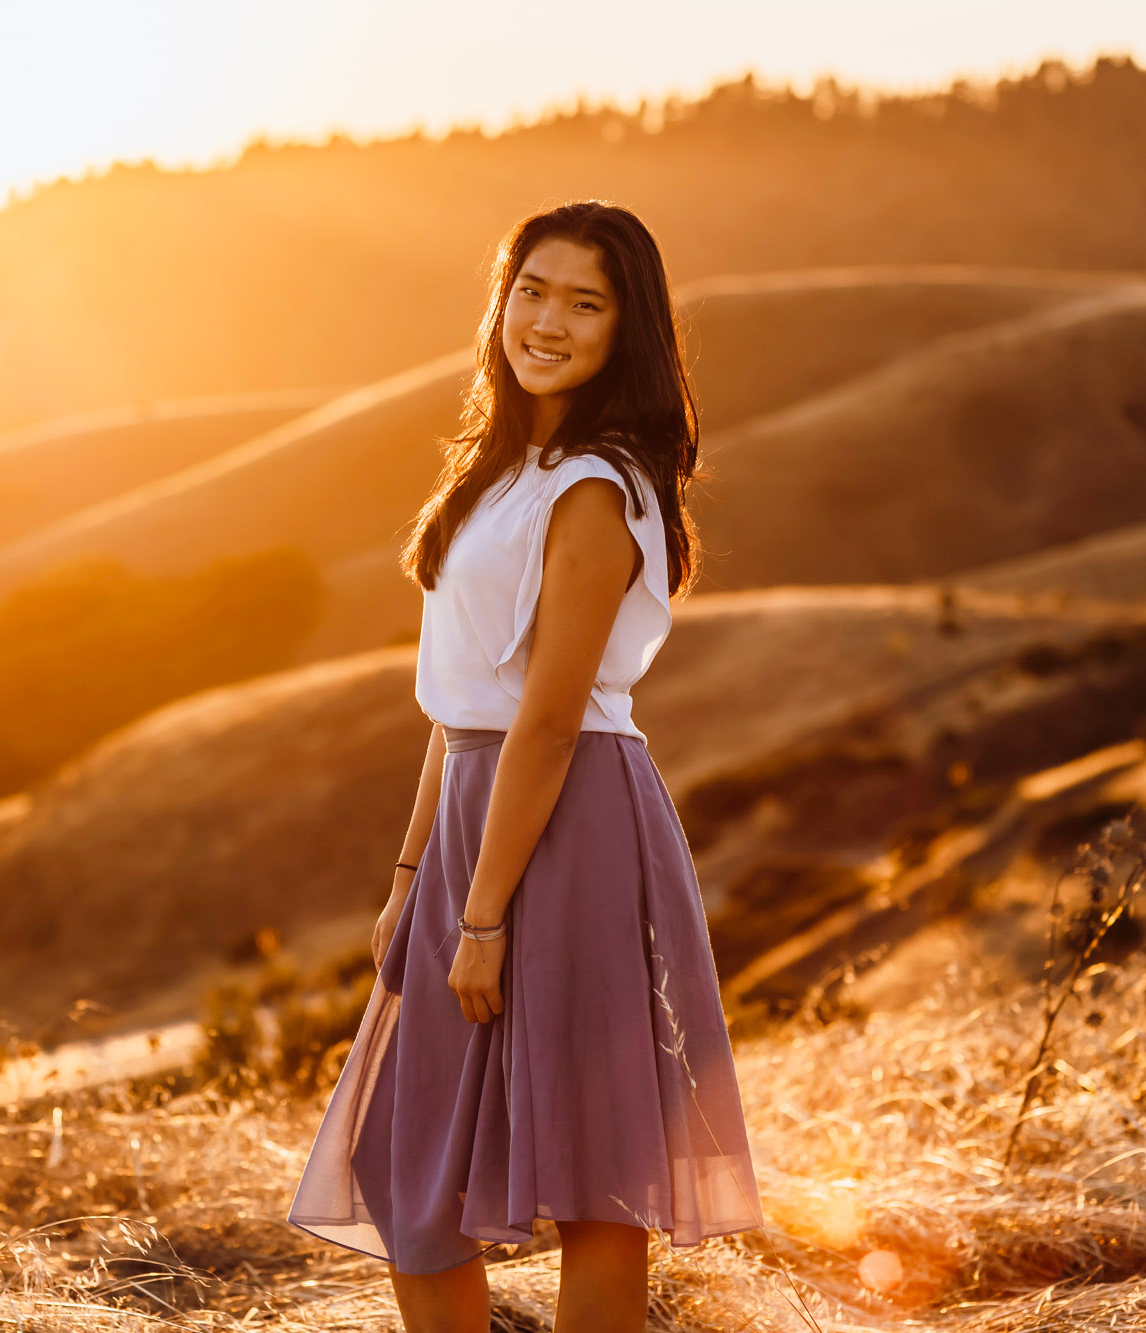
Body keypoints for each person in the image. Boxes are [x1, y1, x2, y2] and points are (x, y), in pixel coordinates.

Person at [284, 200, 764, 1332]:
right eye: (532, 289)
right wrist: (412, 882)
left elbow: (546, 720)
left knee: (598, 1178)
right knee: (410, 1159)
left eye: (584, 303)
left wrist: (485, 914)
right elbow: (459, 708)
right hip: (473, 813)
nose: (547, 320)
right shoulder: (504, 469)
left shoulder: (594, 485)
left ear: (624, 329)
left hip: (571, 821)